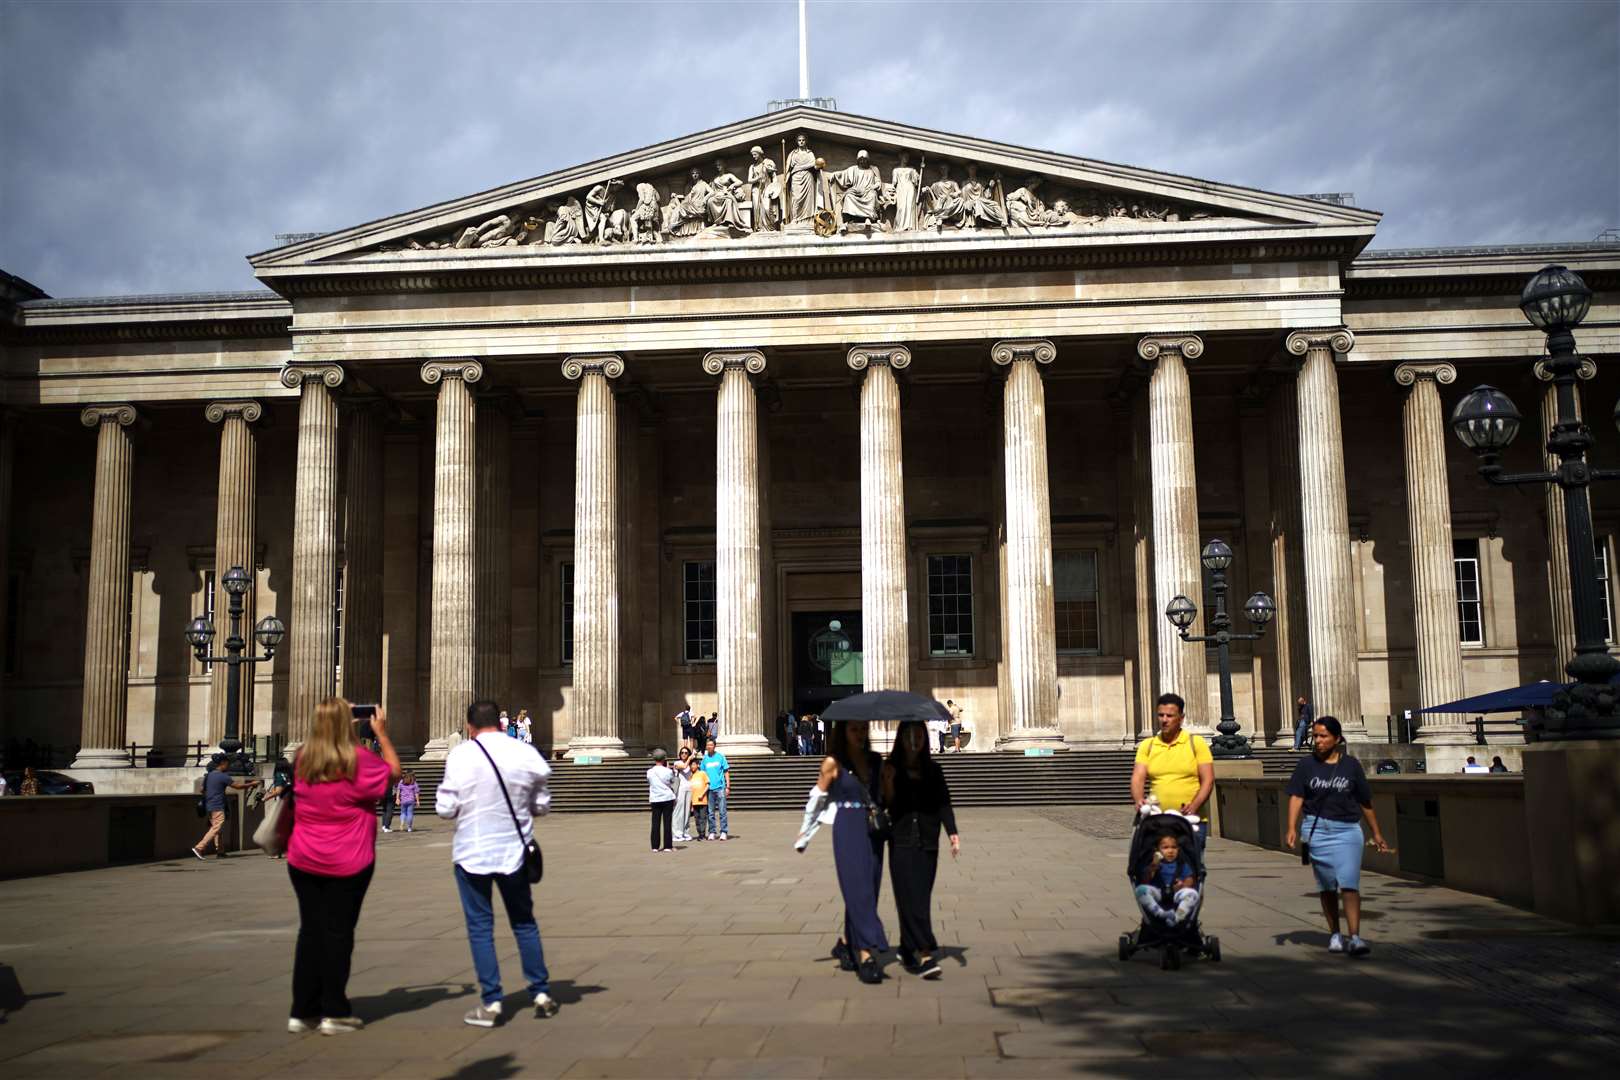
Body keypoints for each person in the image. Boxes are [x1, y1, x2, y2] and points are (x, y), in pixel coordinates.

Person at [436, 699, 559, 1027]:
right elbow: (542, 805)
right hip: (513, 852)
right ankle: (541, 992)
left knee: (480, 928)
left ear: (470, 727)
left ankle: (491, 1003)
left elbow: (445, 808)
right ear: (501, 724)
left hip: (472, 853)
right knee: (524, 923)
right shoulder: (523, 753)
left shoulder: (461, 755)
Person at [285, 698, 399, 1034]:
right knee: (337, 934)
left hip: (303, 859)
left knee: (309, 933)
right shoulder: (358, 761)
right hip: (347, 861)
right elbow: (392, 774)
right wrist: (382, 734)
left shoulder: (303, 759)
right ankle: (334, 1010)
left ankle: (302, 1011)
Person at [1285, 715, 1393, 958]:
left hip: (1347, 830)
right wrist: (1291, 827)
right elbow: (1296, 797)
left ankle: (1354, 936)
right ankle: (1335, 933)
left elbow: (1365, 801)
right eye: (1315, 736)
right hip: (1316, 829)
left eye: (1323, 736)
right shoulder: (1306, 765)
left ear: (1337, 738)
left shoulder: (1351, 766)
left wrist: (1376, 833)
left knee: (1349, 883)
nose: (1318, 741)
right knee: (1327, 886)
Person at [883, 720, 959, 980]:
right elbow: (886, 804)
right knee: (908, 897)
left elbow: (943, 803)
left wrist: (953, 833)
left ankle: (906, 948)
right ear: (900, 740)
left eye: (918, 736)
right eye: (908, 736)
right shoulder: (890, 769)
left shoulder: (934, 770)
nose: (914, 741)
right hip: (901, 842)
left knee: (920, 897)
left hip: (928, 842)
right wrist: (889, 783)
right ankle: (926, 953)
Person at [818, 720, 889, 984]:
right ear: (843, 733)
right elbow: (817, 798)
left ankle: (846, 943)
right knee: (858, 887)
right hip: (847, 828)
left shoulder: (876, 760)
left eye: (863, 729)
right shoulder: (833, 762)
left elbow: (884, 796)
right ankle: (867, 953)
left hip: (872, 829)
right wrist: (805, 833)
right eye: (854, 729)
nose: (859, 734)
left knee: (868, 887)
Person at [1130, 693, 1215, 842]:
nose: (1164, 720)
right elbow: (1138, 778)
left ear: (1181, 718)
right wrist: (1139, 799)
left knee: (1191, 864)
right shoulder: (1147, 745)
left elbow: (1208, 780)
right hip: (1157, 821)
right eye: (1161, 715)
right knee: (1157, 864)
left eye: (1169, 716)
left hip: (1191, 821)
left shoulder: (1196, 744)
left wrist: (1194, 806)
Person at [193, 754, 260, 860]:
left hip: (209, 804)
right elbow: (237, 786)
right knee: (217, 827)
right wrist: (251, 784)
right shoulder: (223, 776)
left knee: (217, 828)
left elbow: (202, 789)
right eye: (227, 764)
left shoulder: (209, 775)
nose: (228, 766)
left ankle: (220, 851)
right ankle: (199, 847)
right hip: (218, 804)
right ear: (223, 763)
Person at [1135, 832, 1199, 927]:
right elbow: (1146, 880)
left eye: (1174, 847)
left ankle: (1177, 917)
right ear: (1158, 850)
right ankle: (1160, 913)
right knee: (1141, 890)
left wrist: (1183, 885)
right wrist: (1153, 866)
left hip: (1177, 893)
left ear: (1178, 849)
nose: (1170, 851)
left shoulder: (1182, 864)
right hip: (1158, 892)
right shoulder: (1155, 865)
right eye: (1165, 848)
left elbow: (1190, 879)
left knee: (1193, 894)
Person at [647, 748, 677, 853]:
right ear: (664, 759)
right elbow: (673, 782)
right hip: (667, 797)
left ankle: (655, 846)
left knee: (655, 822)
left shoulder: (649, 772)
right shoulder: (668, 771)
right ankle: (667, 846)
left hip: (655, 798)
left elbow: (650, 783)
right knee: (667, 822)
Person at [701, 738, 730, 841]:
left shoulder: (720, 757)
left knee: (722, 811)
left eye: (711, 745)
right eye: (708, 745)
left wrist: (728, 786)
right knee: (710, 812)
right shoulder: (705, 759)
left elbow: (726, 771)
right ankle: (712, 832)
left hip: (720, 787)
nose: (709, 747)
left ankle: (723, 831)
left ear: (714, 746)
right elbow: (702, 774)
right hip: (709, 788)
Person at [672, 748, 694, 842]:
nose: (684, 754)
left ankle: (685, 832)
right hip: (680, 789)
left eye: (686, 753)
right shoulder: (677, 763)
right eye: (682, 753)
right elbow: (684, 767)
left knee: (686, 812)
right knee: (678, 811)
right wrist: (690, 758)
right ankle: (677, 833)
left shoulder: (691, 764)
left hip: (689, 788)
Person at [689, 752, 710, 840]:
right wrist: (690, 805)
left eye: (694, 764)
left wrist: (702, 794)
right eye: (691, 765)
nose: (692, 766)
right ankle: (699, 833)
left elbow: (708, 785)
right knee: (697, 819)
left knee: (703, 818)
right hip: (694, 801)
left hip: (703, 800)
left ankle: (702, 834)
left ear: (698, 765)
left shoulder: (702, 773)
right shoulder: (690, 776)